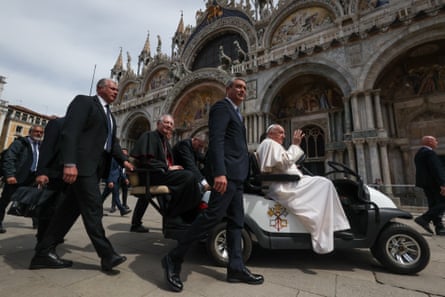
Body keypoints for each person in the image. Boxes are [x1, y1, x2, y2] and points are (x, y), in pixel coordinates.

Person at [162, 77, 264, 293]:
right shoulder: (221, 107)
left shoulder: (237, 113)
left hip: (237, 177)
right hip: (226, 175)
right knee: (212, 217)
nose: (242, 90)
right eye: (237, 86)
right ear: (227, 89)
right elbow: (216, 139)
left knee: (236, 222)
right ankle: (173, 258)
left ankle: (236, 267)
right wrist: (219, 172)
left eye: (244, 88)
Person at [29, 78, 134, 272]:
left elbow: (111, 143)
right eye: (112, 88)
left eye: (117, 89)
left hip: (95, 169)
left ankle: (43, 252)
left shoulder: (110, 116)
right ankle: (107, 255)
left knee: (67, 211)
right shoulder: (85, 102)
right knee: (93, 208)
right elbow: (70, 132)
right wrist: (70, 163)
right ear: (99, 89)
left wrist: (124, 161)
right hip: (82, 166)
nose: (116, 92)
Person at [256, 124, 352, 254]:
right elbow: (284, 162)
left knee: (323, 184)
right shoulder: (269, 143)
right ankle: (334, 227)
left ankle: (332, 225)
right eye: (280, 132)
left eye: (284, 133)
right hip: (285, 186)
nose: (284, 135)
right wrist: (295, 145)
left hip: (288, 182)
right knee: (325, 184)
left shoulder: (271, 145)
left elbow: (282, 164)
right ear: (271, 134)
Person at [130, 114, 202, 232]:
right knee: (188, 177)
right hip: (151, 174)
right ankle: (177, 215)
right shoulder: (149, 136)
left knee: (185, 175)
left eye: (171, 124)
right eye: (166, 122)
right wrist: (168, 168)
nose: (169, 125)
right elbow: (146, 161)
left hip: (158, 174)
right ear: (158, 124)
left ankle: (137, 223)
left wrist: (170, 167)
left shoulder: (163, 141)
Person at [0, 125, 44, 233]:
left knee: (34, 201)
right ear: (30, 132)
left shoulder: (42, 146)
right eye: (36, 131)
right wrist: (10, 175)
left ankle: (37, 223)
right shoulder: (20, 143)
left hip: (32, 178)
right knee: (5, 201)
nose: (38, 134)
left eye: (41, 132)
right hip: (16, 177)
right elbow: (9, 158)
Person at [34, 117, 66, 244]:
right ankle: (42, 240)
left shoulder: (78, 128)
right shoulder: (57, 123)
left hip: (67, 178)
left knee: (60, 210)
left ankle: (52, 237)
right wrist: (41, 172)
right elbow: (46, 148)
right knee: (48, 209)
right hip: (53, 175)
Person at [414, 136, 445, 236]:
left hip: (426, 184)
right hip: (434, 184)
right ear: (429, 142)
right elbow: (436, 169)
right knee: (442, 203)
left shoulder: (418, 154)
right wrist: (442, 184)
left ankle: (439, 228)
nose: (437, 142)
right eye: (435, 140)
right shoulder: (429, 153)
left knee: (434, 204)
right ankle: (424, 218)